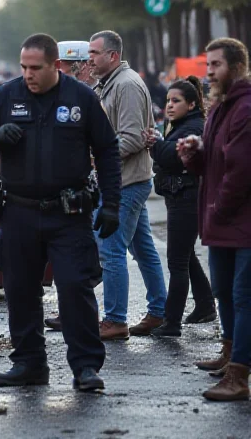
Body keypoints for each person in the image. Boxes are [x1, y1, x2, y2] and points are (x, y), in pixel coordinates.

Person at [0, 33, 121, 391]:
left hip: (68, 213)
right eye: (24, 67)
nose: (29, 74)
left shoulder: (80, 98)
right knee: (20, 292)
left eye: (36, 68)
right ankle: (29, 364)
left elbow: (108, 151)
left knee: (74, 289)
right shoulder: (6, 96)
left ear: (55, 66)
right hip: (18, 212)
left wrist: (113, 203)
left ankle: (85, 368)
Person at [179, 38, 251, 401]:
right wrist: (194, 154)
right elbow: (215, 161)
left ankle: (239, 376)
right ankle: (229, 353)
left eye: (216, 65)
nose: (208, 73)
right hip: (223, 222)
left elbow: (241, 169)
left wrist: (219, 207)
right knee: (223, 290)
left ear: (236, 67)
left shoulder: (245, 108)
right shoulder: (220, 107)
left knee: (243, 296)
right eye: (207, 66)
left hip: (242, 222)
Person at [89, 30, 167, 340]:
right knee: (143, 248)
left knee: (111, 250)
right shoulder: (110, 83)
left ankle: (115, 320)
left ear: (112, 55)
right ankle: (160, 311)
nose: (89, 59)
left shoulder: (127, 85)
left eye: (94, 53)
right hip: (126, 178)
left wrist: (97, 157)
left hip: (126, 181)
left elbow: (134, 138)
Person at [143, 77, 216, 337]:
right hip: (179, 198)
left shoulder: (193, 126)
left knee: (177, 261)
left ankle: (171, 322)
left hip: (186, 199)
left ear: (192, 103)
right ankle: (206, 305)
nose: (170, 106)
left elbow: (173, 159)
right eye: (168, 101)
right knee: (185, 256)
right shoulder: (181, 124)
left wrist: (155, 143)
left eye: (176, 101)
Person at [44, 40, 99, 333]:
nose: (58, 71)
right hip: (72, 190)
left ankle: (87, 317)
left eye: (62, 66)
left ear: (81, 66)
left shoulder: (86, 97)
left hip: (84, 189)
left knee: (89, 259)